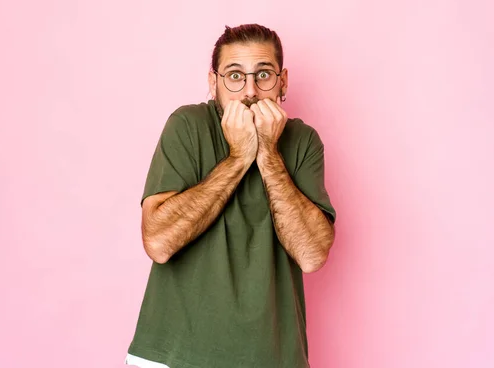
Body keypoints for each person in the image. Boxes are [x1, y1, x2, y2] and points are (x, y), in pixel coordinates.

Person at [125, 24, 336, 368]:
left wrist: (267, 152)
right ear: (214, 84)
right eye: (235, 76)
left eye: (263, 74)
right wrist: (239, 158)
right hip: (172, 356)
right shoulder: (187, 125)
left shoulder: (303, 142)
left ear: (283, 82)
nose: (249, 90)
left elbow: (311, 256)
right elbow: (159, 243)